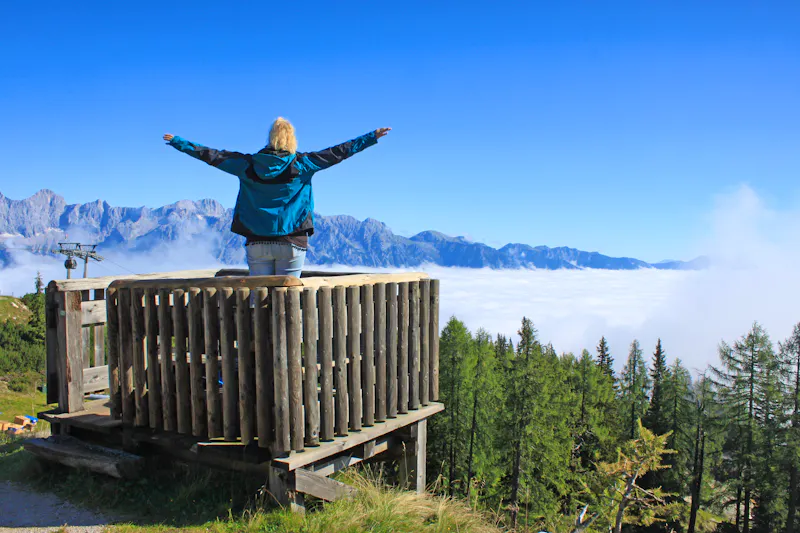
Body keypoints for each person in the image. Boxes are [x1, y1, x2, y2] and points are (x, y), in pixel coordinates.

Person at [163, 118, 390, 277]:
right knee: (287, 301)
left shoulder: (246, 165)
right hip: (292, 241)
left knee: (259, 298)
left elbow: (211, 155)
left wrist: (178, 142)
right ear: (292, 140)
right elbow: (339, 152)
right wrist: (371, 137)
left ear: (270, 138)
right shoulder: (303, 164)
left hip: (257, 241)